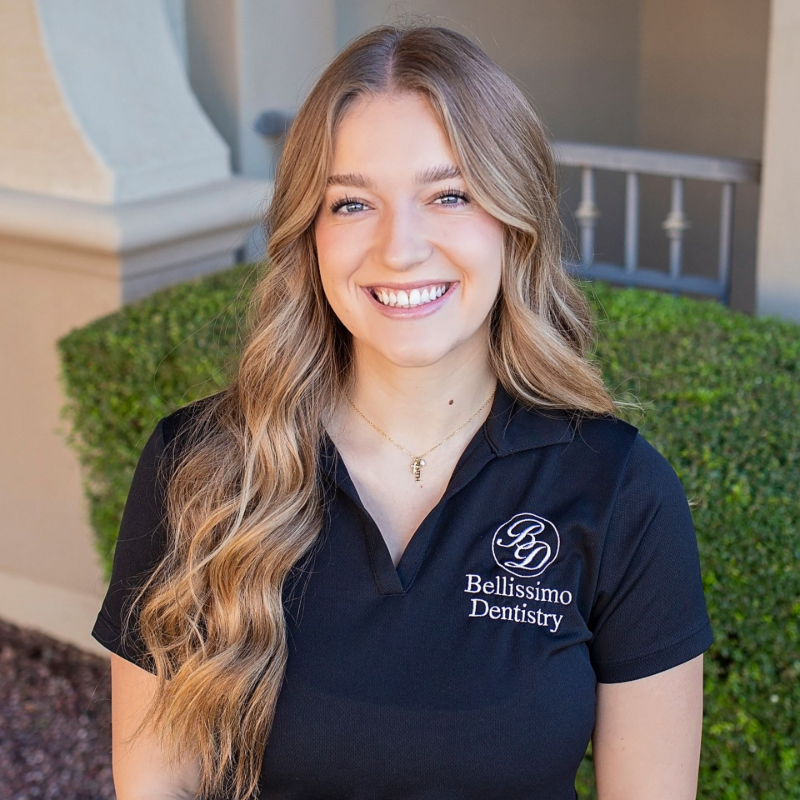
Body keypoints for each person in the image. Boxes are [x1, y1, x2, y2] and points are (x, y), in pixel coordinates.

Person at [91, 21, 714, 800]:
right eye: (352, 204)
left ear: (513, 221)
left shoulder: (618, 490)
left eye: (449, 194)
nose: (400, 248)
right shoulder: (202, 464)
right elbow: (156, 786)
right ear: (308, 234)